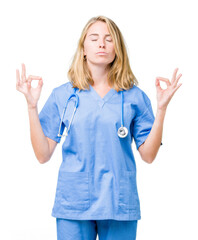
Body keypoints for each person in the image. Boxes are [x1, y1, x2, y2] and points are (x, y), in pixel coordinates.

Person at [16, 15, 182, 240]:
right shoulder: (63, 95)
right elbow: (43, 155)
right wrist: (31, 106)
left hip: (118, 203)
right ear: (83, 48)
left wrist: (161, 109)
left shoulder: (134, 97)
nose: (102, 44)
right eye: (94, 38)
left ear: (117, 48)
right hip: (74, 202)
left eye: (109, 39)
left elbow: (149, 155)